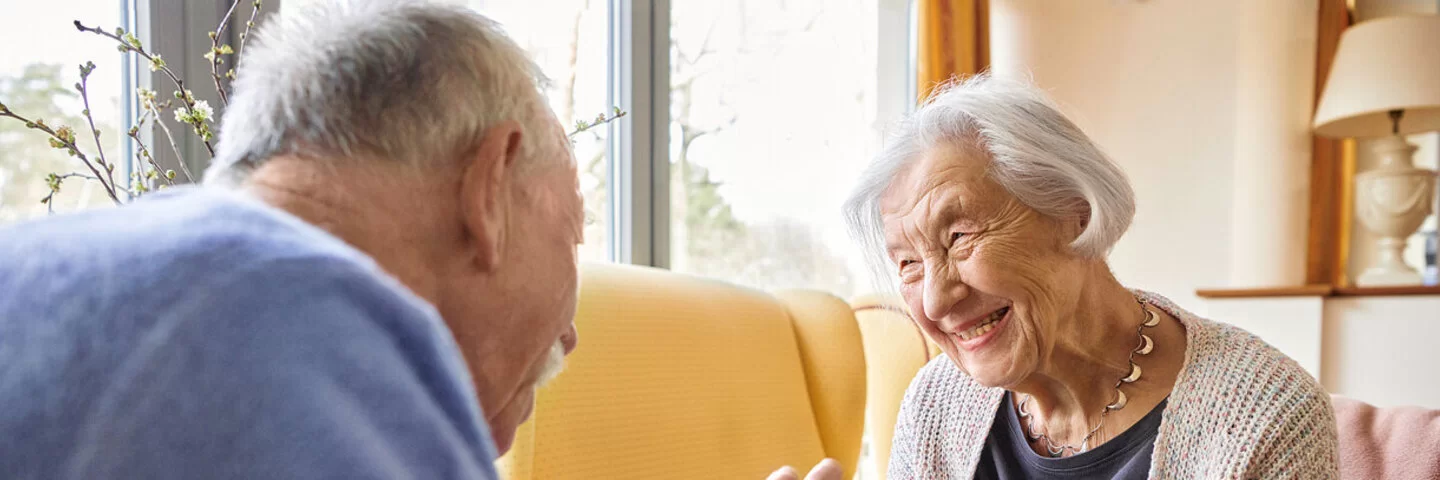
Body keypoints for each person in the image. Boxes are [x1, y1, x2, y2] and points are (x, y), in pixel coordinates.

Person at [0, 1, 838, 478]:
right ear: (490, 190)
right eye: (572, 229)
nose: (573, 331)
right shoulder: (294, 324)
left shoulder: (77, 272)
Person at [842, 75, 1340, 479]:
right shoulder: (936, 403)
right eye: (907, 263)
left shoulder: (1264, 416)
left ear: (1073, 213)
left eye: (959, 236)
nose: (933, 300)